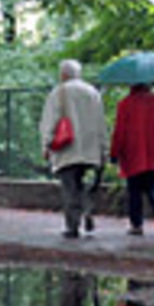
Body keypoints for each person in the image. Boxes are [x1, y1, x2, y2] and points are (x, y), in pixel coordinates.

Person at [39, 59, 108, 238]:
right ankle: (87, 210)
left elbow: (50, 120)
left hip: (67, 148)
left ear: (63, 74)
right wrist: (104, 148)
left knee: (70, 187)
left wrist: (46, 143)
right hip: (90, 148)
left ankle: (73, 225)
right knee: (85, 184)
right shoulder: (93, 92)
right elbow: (101, 123)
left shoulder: (58, 92)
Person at [109, 82, 154, 235]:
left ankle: (137, 225)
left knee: (134, 190)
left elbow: (119, 132)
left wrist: (114, 153)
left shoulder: (125, 104)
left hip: (133, 153)